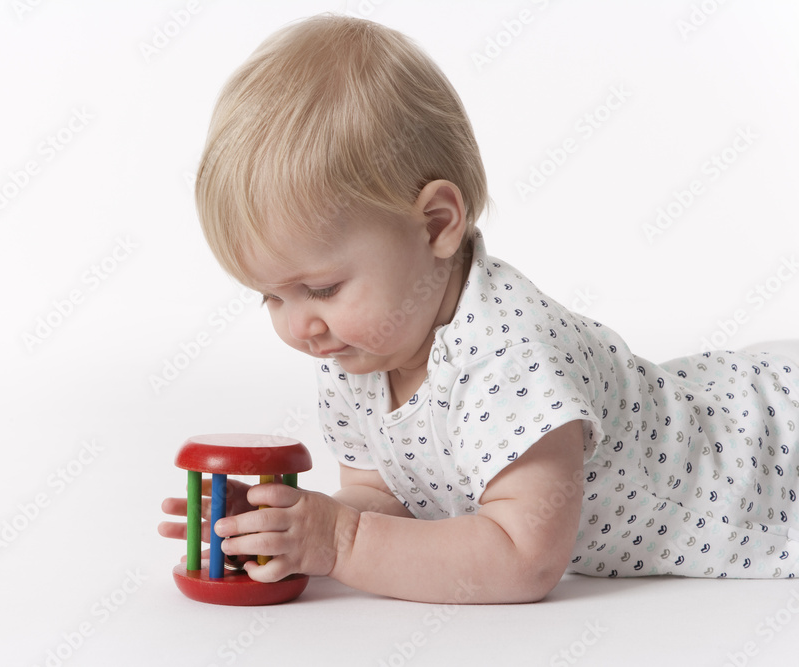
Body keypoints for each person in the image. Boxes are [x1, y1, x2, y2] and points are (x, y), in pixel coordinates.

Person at [158, 14, 799, 603]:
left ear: (437, 224)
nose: (299, 327)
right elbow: (390, 496)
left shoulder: (508, 354)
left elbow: (523, 559)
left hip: (766, 456)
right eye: (271, 296)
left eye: (321, 289)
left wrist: (343, 543)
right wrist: (284, 526)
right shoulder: (358, 348)